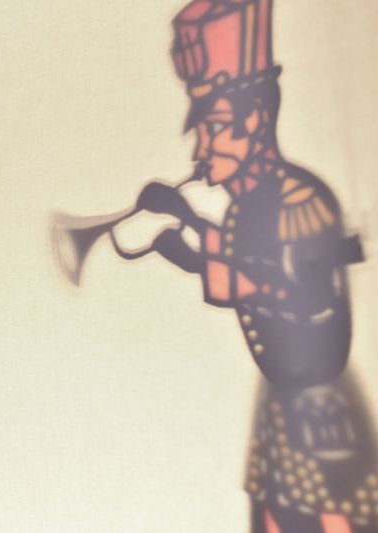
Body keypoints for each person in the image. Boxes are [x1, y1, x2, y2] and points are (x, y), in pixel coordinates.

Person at [124, 1, 375, 531]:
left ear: (256, 119)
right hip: (282, 409)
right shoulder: (245, 207)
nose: (202, 148)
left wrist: (193, 239)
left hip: (324, 420)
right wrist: (189, 233)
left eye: (214, 128)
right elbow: (253, 268)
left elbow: (301, 295)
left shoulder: (302, 198)